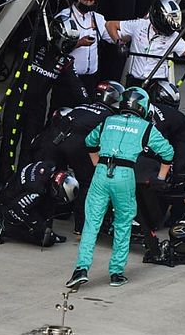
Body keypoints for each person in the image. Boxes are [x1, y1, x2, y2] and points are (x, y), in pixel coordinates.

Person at [66, 87, 174, 289]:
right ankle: (116, 273)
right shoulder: (145, 127)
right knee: (123, 223)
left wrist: (97, 163)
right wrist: (160, 177)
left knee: (91, 224)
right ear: (143, 107)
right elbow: (168, 153)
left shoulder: (108, 120)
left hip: (101, 173)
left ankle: (80, 269)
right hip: (125, 175)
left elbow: (89, 142)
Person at [25, 81, 123, 233]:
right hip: (78, 144)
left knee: (50, 179)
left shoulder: (80, 107)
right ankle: (81, 227)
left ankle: (43, 224)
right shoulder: (110, 116)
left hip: (54, 141)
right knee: (87, 183)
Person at [0, 15, 88, 181]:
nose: (68, 46)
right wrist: (41, 34)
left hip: (37, 108)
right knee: (9, 143)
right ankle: (4, 181)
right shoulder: (36, 44)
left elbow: (76, 86)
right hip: (18, 100)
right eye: (66, 41)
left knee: (30, 146)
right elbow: (20, 44)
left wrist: (91, 106)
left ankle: (21, 182)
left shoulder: (65, 61)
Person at [138, 80, 185, 264]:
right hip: (166, 135)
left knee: (178, 171)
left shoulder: (156, 121)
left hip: (182, 134)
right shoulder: (143, 113)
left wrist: (165, 175)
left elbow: (163, 152)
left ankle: (178, 215)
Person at [105, 0, 185, 87]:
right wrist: (119, 43)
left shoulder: (174, 37)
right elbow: (110, 25)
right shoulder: (139, 25)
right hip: (134, 80)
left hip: (157, 83)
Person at [0, 160, 79, 247]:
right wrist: (37, 226)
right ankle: (4, 225)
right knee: (45, 240)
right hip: (8, 202)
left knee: (49, 200)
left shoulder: (49, 166)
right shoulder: (37, 190)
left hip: (15, 188)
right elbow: (17, 208)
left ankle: (48, 232)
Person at [58, 0, 114, 92]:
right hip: (68, 77)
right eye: (85, 0)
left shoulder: (98, 18)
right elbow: (57, 46)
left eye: (91, 1)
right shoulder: (64, 17)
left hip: (90, 78)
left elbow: (112, 37)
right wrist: (79, 43)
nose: (88, 3)